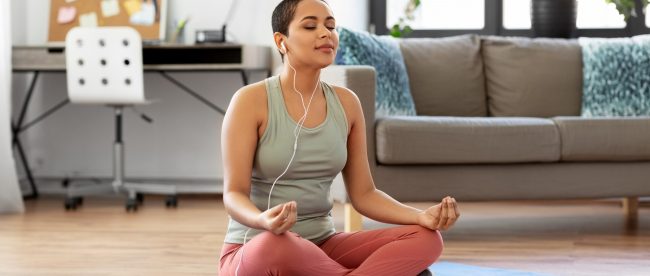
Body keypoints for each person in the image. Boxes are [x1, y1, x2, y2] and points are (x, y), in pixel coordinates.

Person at [219, 0, 460, 275]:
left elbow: (364, 194)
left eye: (331, 26)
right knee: (276, 246)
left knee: (427, 239)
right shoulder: (250, 101)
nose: (326, 33)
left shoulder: (347, 103)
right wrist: (262, 220)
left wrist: (420, 216)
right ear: (281, 40)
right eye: (310, 26)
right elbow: (233, 194)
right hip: (258, 246)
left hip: (324, 246)